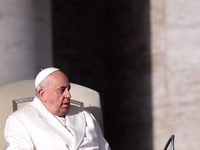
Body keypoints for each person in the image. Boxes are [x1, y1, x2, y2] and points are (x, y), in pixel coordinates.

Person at [4, 67, 110, 150]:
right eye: (61, 90)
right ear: (43, 94)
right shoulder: (20, 120)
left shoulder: (85, 116)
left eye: (68, 89)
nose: (68, 95)